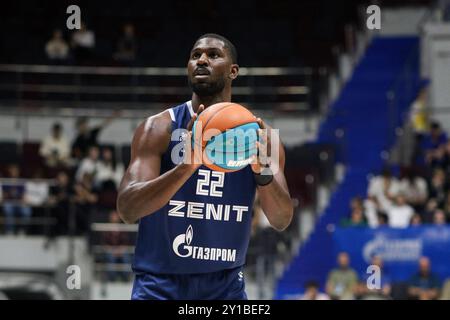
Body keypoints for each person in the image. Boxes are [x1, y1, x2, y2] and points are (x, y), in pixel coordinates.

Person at [117, 33, 293, 300]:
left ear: (233, 71)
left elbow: (281, 220)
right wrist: (185, 168)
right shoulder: (159, 128)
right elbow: (128, 210)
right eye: (195, 55)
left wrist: (263, 173)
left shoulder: (261, 136)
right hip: (160, 284)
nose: (201, 60)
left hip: (226, 285)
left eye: (213, 55)